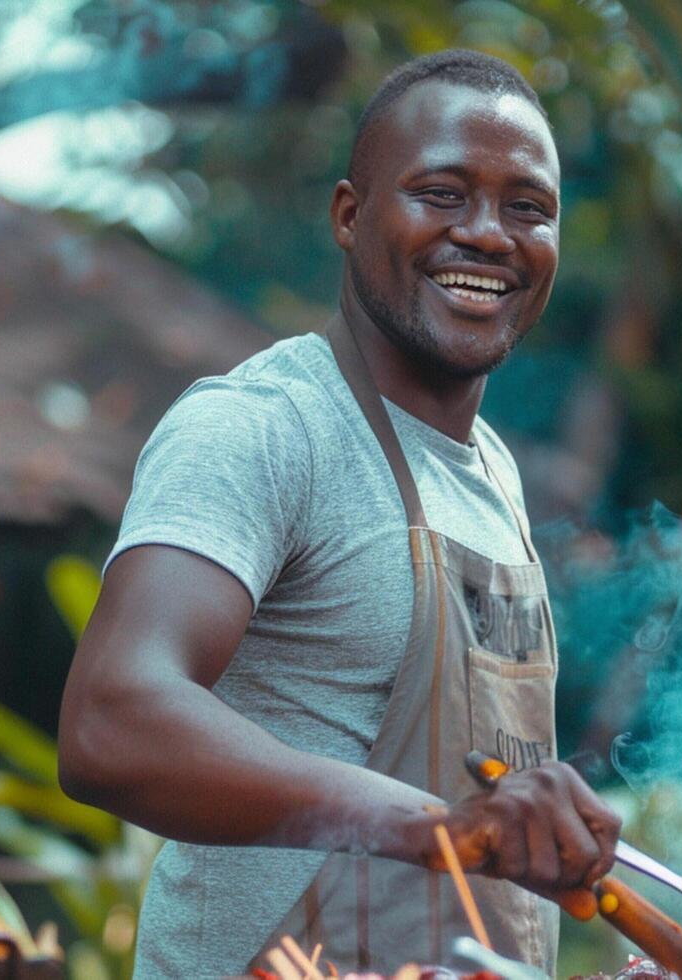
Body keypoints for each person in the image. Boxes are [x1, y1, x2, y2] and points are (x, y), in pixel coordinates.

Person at [58, 49, 622, 977]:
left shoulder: (494, 473)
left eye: (527, 207)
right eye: (441, 192)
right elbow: (112, 720)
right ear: (351, 216)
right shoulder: (262, 428)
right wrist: (436, 827)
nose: (487, 233)